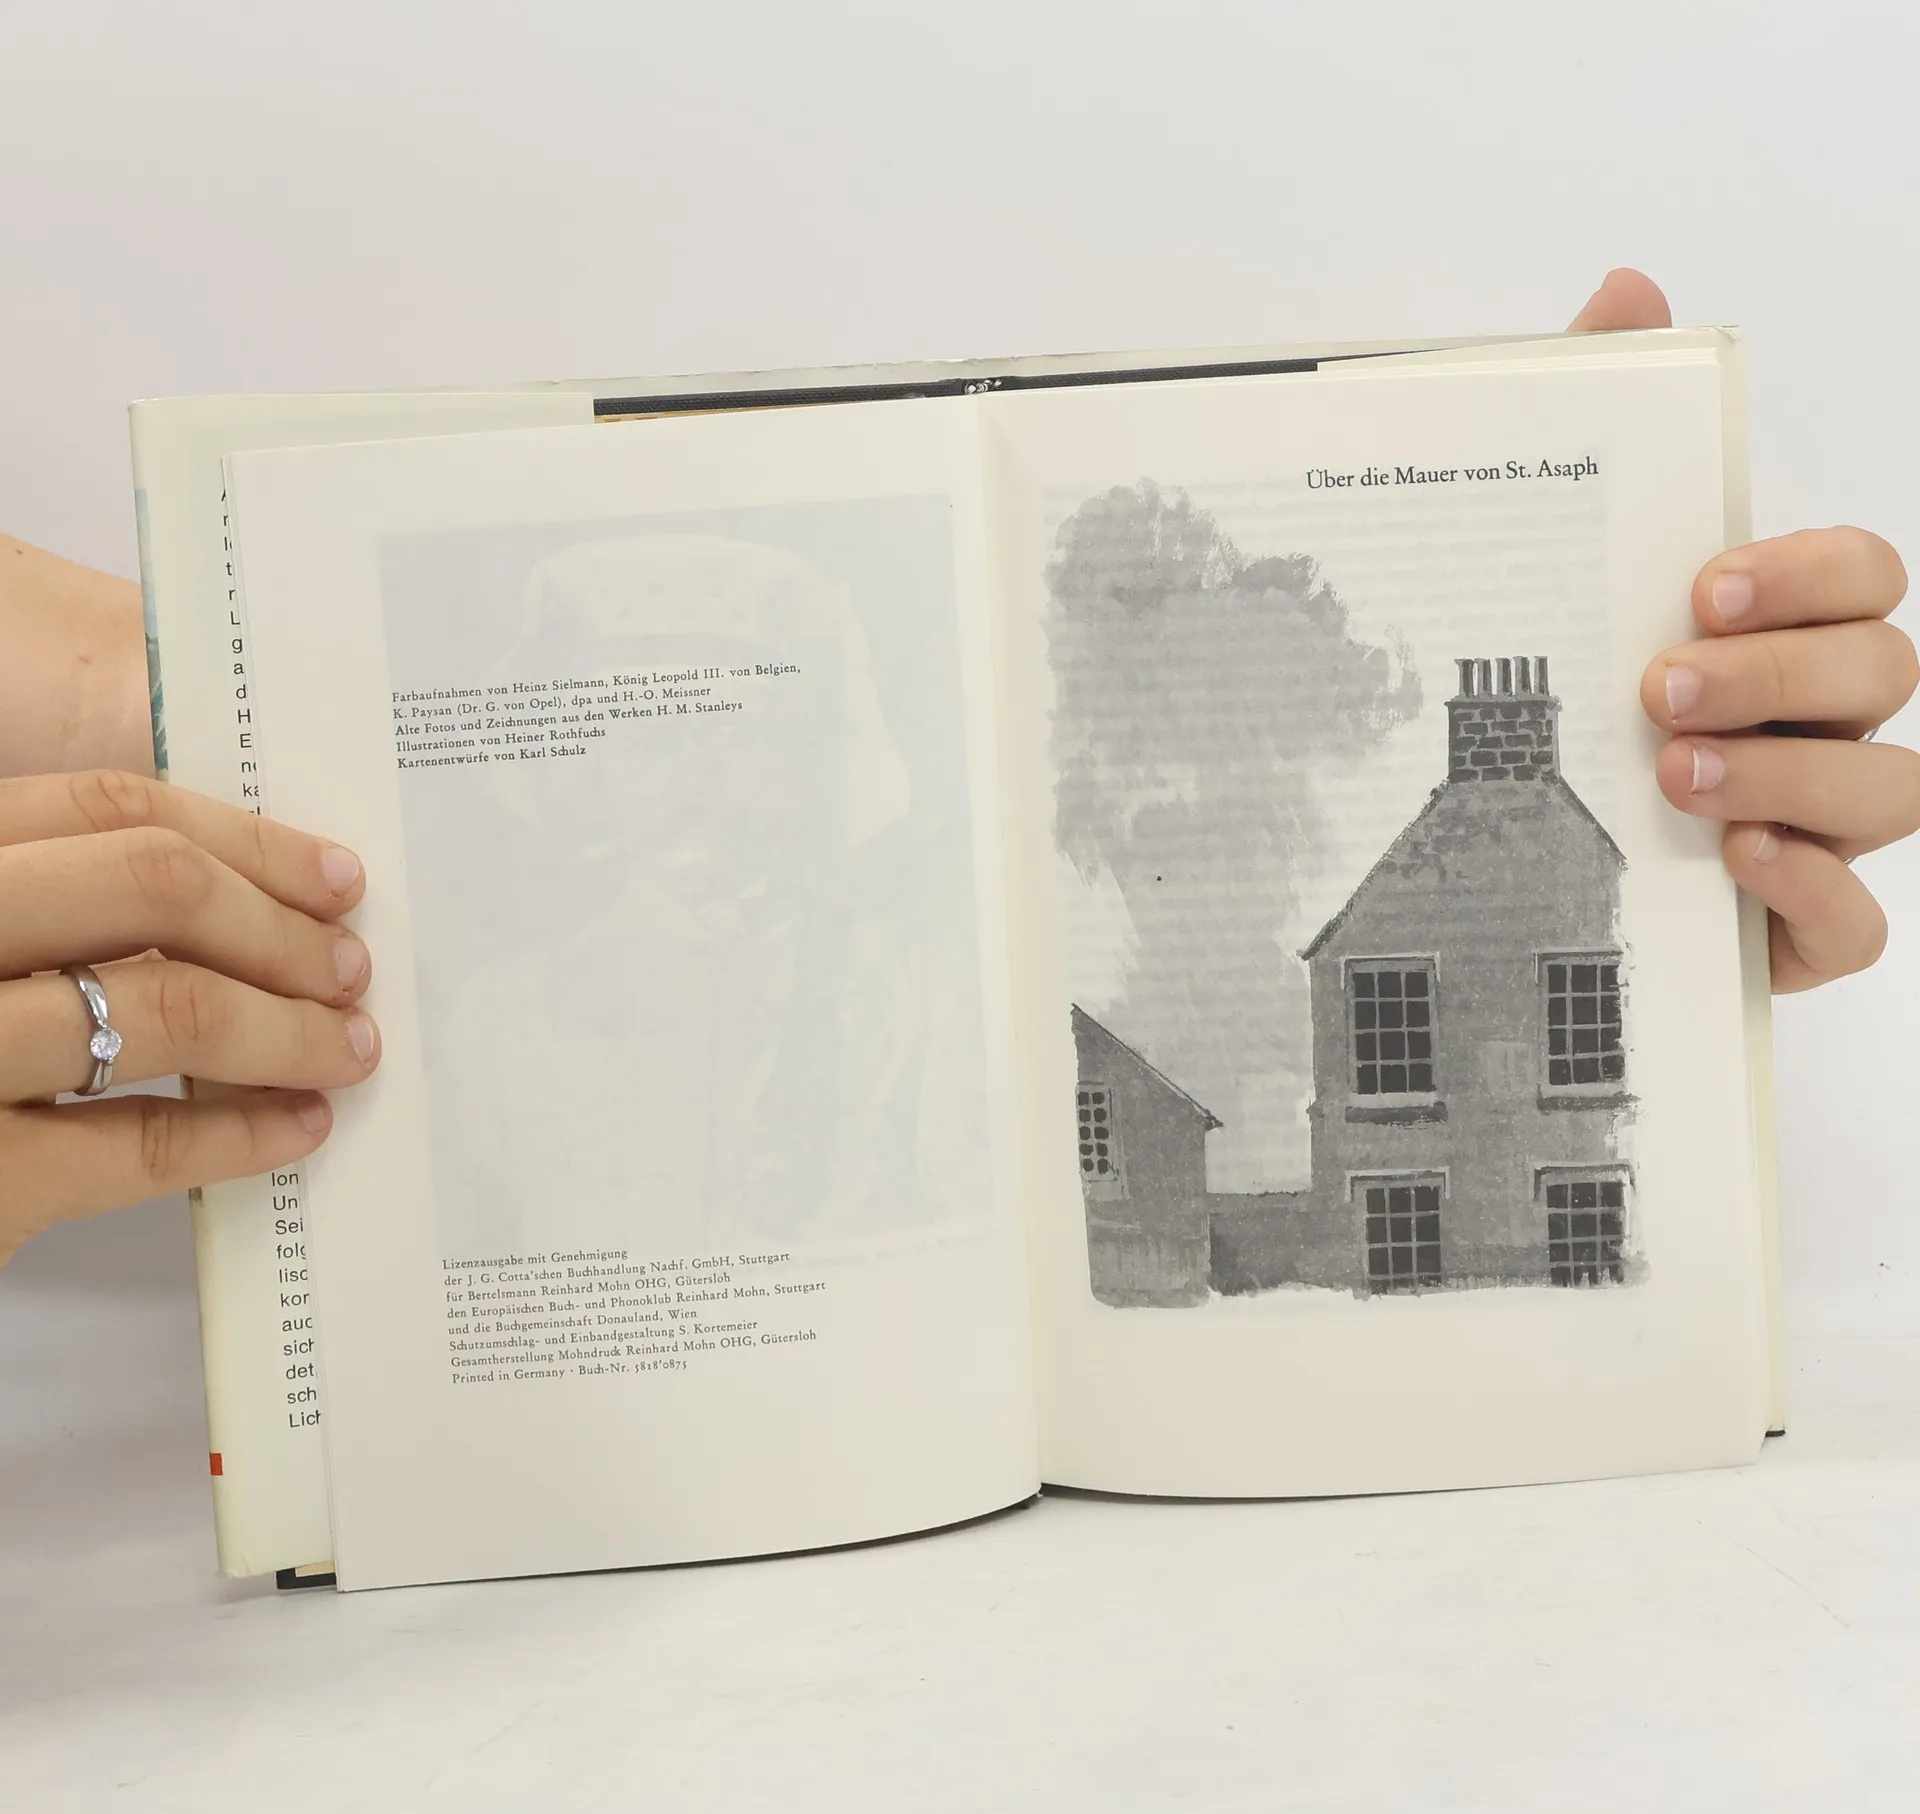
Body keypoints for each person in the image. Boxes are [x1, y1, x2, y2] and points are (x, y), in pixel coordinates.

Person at [0, 269, 1914, 1265]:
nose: (708, 815)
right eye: (648, 735)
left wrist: (1629, 776)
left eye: (744, 742)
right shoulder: (512, 1017)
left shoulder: (909, 994)